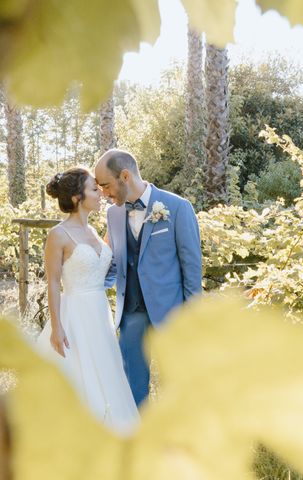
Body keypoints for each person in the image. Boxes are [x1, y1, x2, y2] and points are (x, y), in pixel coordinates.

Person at [35, 167, 139, 436]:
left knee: (106, 371)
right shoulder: (58, 235)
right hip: (75, 315)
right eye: (94, 189)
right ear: (76, 198)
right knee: (81, 375)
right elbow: (53, 284)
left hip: (99, 312)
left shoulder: (94, 230)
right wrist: (57, 326)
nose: (101, 194)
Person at [94, 149, 202, 407]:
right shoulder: (113, 214)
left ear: (125, 176)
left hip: (171, 315)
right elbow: (116, 263)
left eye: (106, 186)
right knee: (132, 390)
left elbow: (192, 268)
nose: (104, 194)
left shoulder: (177, 208)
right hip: (130, 314)